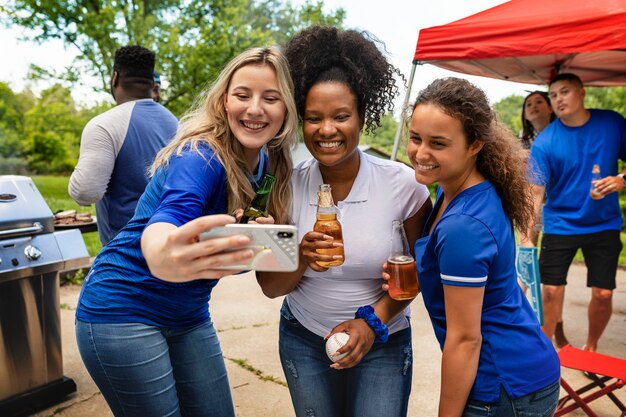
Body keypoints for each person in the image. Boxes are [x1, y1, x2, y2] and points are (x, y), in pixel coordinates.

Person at [75, 46, 298, 417]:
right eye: (242, 95)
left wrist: (256, 240)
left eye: (270, 98)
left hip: (189, 315)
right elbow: (171, 216)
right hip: (122, 311)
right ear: (224, 100)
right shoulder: (201, 154)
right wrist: (162, 252)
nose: (255, 109)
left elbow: (233, 261)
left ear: (286, 108)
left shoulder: (268, 165)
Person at [256, 26, 432, 417]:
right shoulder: (286, 185)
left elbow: (420, 274)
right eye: (314, 118)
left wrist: (371, 324)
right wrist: (299, 256)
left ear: (362, 117)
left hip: (383, 343)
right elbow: (269, 287)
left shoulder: (403, 185)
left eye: (341, 116)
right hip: (303, 339)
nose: (327, 130)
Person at [394, 77, 560, 416]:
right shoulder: (454, 188)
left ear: (475, 145)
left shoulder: (464, 226)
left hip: (504, 387)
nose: (421, 153)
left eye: (438, 143)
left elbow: (465, 340)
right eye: (415, 138)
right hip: (522, 370)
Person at [521, 73, 626, 353]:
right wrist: (528, 235)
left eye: (564, 92)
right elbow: (535, 194)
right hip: (560, 224)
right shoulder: (545, 142)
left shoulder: (612, 123)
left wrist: (622, 180)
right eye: (553, 95)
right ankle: (545, 352)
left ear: (582, 93)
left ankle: (591, 348)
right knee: (551, 291)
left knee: (603, 294)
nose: (558, 99)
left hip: (604, 223)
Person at [69, 45, 178, 246]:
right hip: (172, 247)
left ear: (115, 78)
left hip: (125, 256)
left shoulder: (104, 125)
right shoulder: (177, 124)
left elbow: (85, 192)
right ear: (151, 81)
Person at [518, 90, 569, 347]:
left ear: (551, 108)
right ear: (525, 114)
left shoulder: (565, 135)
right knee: (525, 257)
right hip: (534, 206)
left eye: (540, 101)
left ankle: (555, 326)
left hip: (562, 208)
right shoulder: (522, 142)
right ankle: (515, 317)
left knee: (553, 273)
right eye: (529, 103)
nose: (534, 106)